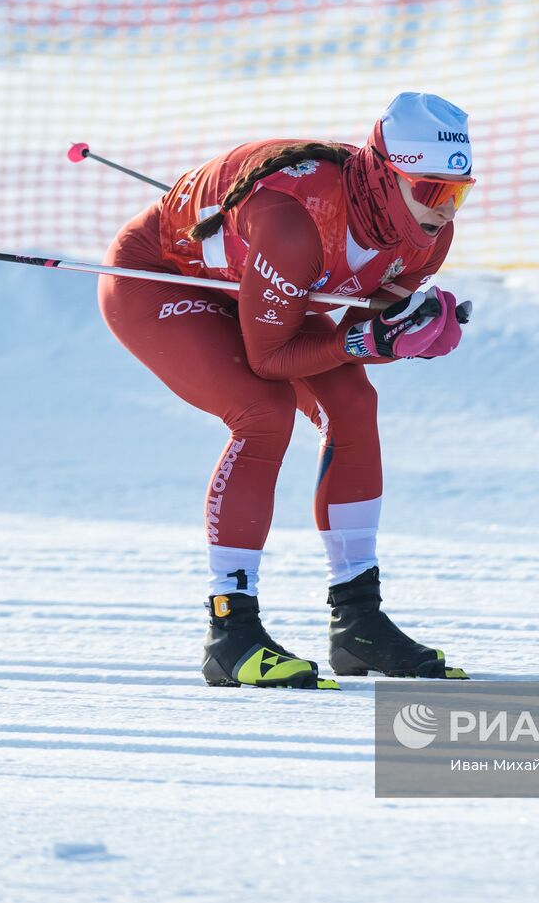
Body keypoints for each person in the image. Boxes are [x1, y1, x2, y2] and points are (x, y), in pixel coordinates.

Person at [98, 92, 475, 689]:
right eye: (432, 192)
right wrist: (374, 340)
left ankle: (359, 623)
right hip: (159, 278)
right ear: (385, 174)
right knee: (263, 412)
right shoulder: (296, 222)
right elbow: (271, 359)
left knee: (353, 405)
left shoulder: (428, 234)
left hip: (260, 287)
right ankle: (231, 633)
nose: (445, 211)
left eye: (458, 193)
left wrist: (411, 328)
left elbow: (362, 324)